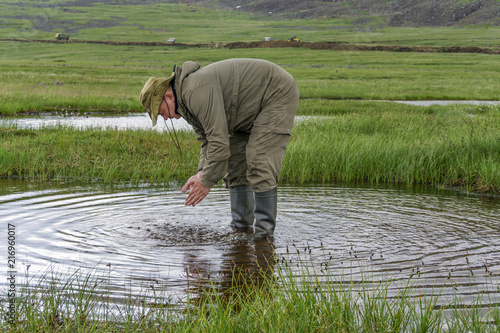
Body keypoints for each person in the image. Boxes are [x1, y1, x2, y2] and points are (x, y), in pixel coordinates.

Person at [140, 58, 299, 240]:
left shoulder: (195, 92)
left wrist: (206, 182)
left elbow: (219, 143)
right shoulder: (185, 104)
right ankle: (241, 231)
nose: (166, 118)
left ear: (168, 97)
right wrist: (201, 172)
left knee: (259, 159)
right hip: (245, 110)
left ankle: (264, 237)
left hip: (275, 93)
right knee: (236, 163)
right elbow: (207, 141)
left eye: (161, 112)